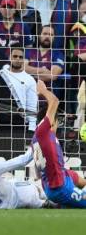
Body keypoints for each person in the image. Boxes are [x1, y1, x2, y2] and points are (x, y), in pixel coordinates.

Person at [32, 80, 86, 208]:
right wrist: (43, 90)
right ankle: (65, 202)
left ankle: (65, 204)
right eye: (57, 121)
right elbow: (55, 101)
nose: (58, 124)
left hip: (56, 181)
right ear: (52, 121)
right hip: (60, 188)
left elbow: (39, 170)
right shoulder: (43, 131)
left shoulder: (37, 137)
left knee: (73, 175)